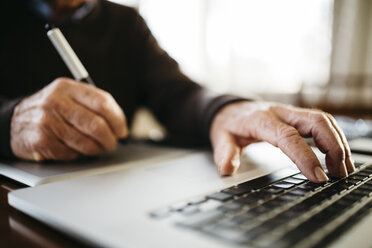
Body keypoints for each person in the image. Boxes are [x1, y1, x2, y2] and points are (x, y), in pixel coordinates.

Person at [0, 0, 354, 183]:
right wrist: (10, 121)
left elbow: (178, 93)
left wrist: (227, 111)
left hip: (108, 183)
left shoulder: (125, 23)